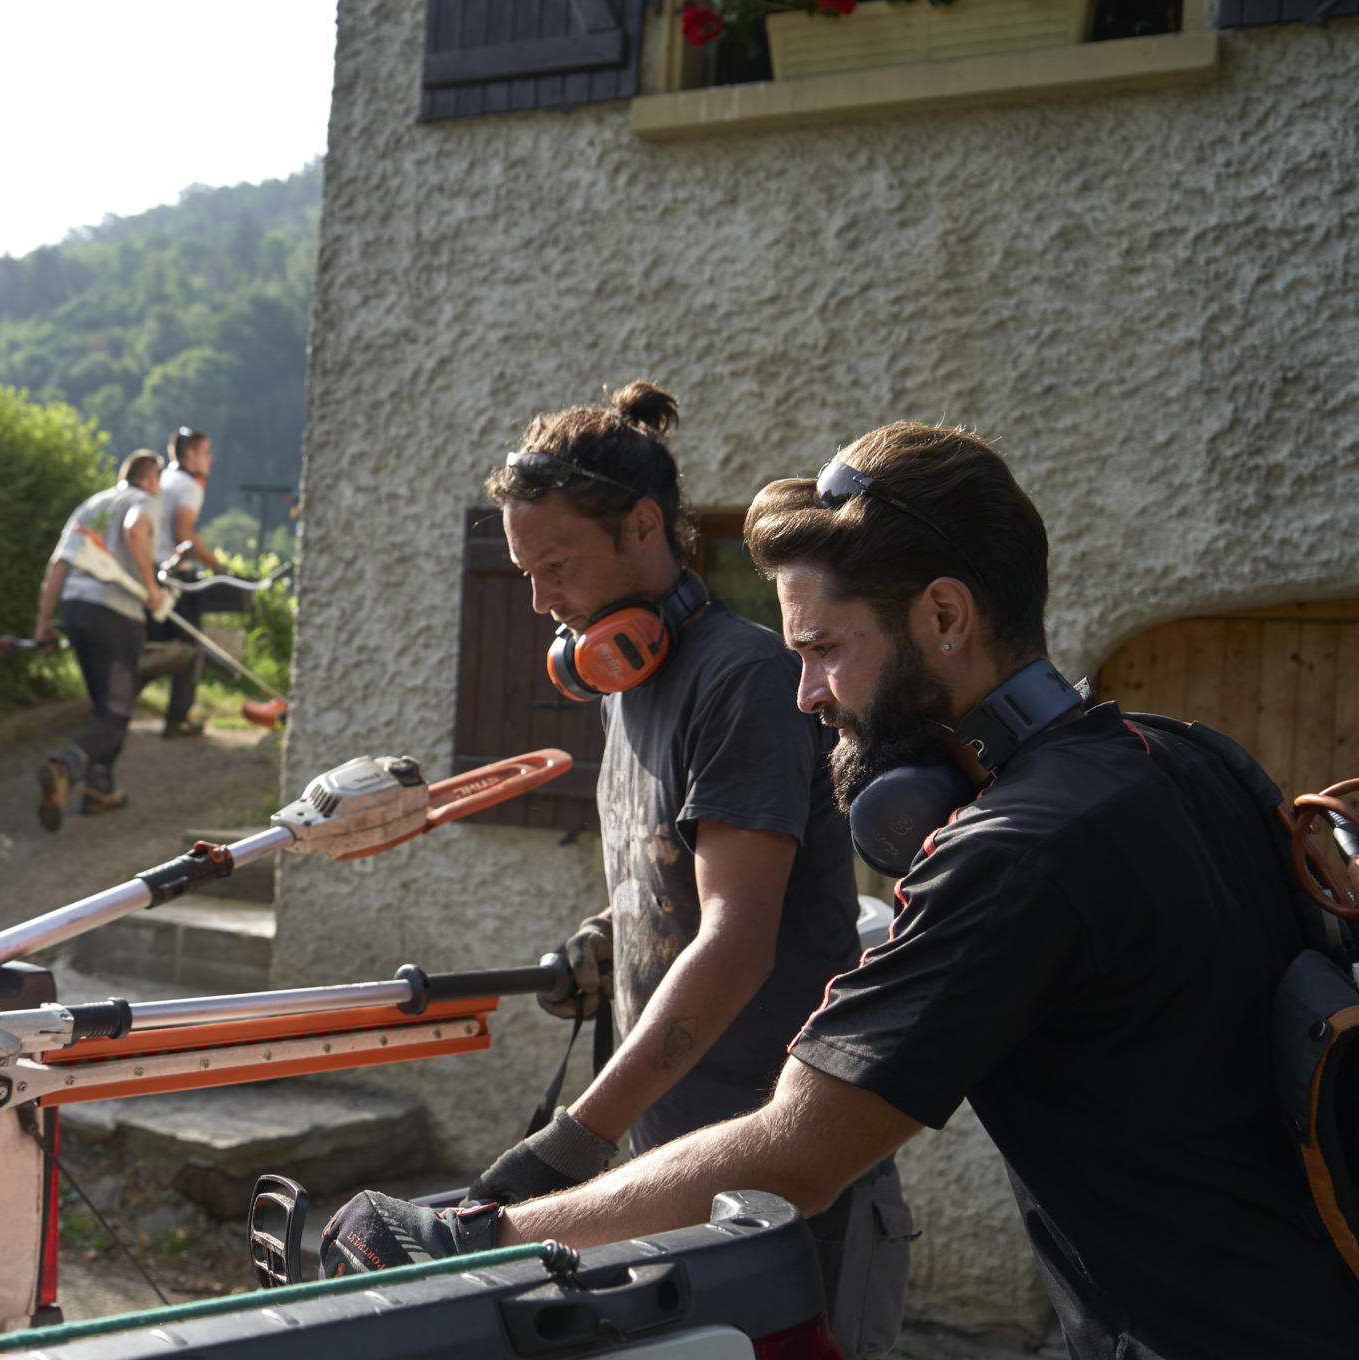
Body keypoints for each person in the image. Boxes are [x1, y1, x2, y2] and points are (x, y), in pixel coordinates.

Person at [320, 423, 1359, 1360]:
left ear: (945, 615)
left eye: (822, 649)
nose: (808, 694)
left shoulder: (1014, 850)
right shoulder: (1192, 758)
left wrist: (474, 1233)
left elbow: (798, 1150)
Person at [459, 382, 906, 1356]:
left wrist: (575, 1141)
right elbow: (692, 877)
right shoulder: (629, 687)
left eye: (557, 565)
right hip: (680, 1162)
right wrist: (614, 935)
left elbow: (738, 943)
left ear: (645, 525)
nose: (541, 599)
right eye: (525, 572)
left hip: (785, 1178)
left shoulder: (740, 681)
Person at [33, 449, 166, 832]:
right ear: (152, 478)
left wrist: (43, 621)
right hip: (116, 615)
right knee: (116, 711)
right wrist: (151, 588)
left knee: (104, 706)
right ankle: (66, 765)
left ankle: (99, 787)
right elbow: (136, 530)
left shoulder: (91, 505)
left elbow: (59, 562)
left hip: (76, 609)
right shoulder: (144, 501)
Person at [152, 426, 220, 738]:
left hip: (149, 568)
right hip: (175, 575)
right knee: (192, 646)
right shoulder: (190, 486)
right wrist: (219, 565)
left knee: (150, 642)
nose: (212, 459)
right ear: (189, 454)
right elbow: (184, 534)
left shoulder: (163, 479)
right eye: (206, 452)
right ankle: (177, 718)